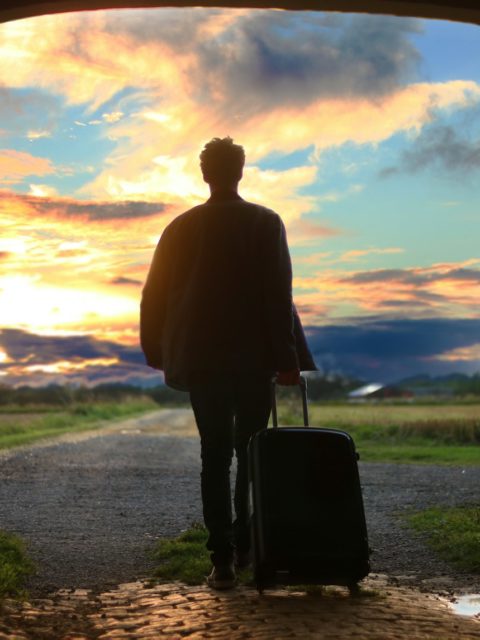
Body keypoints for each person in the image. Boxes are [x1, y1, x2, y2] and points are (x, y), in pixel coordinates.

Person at [140, 137, 315, 589]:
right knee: (252, 452)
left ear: (205, 174)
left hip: (201, 360)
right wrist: (287, 360)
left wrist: (158, 351)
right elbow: (279, 297)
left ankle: (221, 562)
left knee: (213, 455)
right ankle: (245, 546)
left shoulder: (179, 228)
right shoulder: (265, 222)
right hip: (254, 359)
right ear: (240, 171)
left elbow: (154, 294)